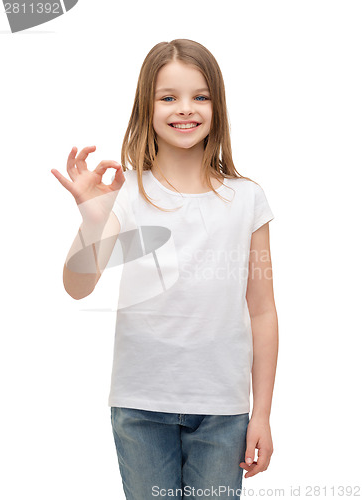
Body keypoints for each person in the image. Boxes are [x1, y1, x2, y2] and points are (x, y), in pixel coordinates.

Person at [51, 39, 278, 500]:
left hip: (223, 410)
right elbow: (77, 287)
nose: (185, 109)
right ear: (146, 107)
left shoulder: (247, 198)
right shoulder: (126, 191)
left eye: (200, 96)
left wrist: (262, 414)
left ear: (217, 105)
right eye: (168, 97)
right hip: (140, 405)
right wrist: (94, 225)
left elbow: (262, 312)